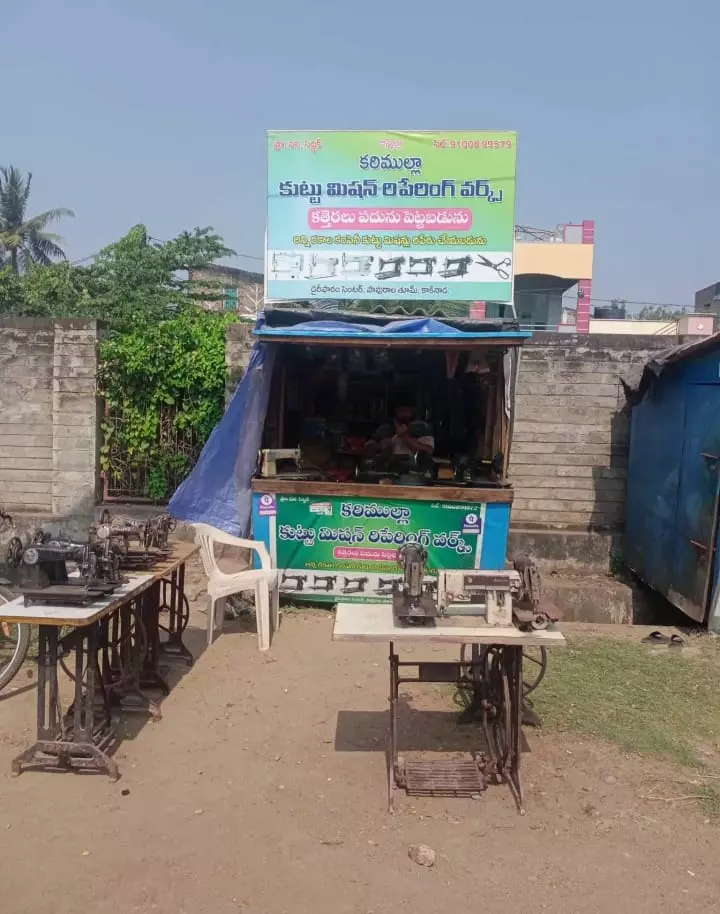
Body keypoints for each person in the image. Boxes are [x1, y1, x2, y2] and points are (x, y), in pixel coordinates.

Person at [369, 395, 435, 457]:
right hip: (388, 467)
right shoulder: (385, 428)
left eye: (407, 411)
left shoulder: (422, 428)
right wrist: (381, 445)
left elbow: (428, 452)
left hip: (413, 467)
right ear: (395, 411)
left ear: (412, 411)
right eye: (401, 411)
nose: (404, 414)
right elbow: (367, 450)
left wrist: (405, 437)